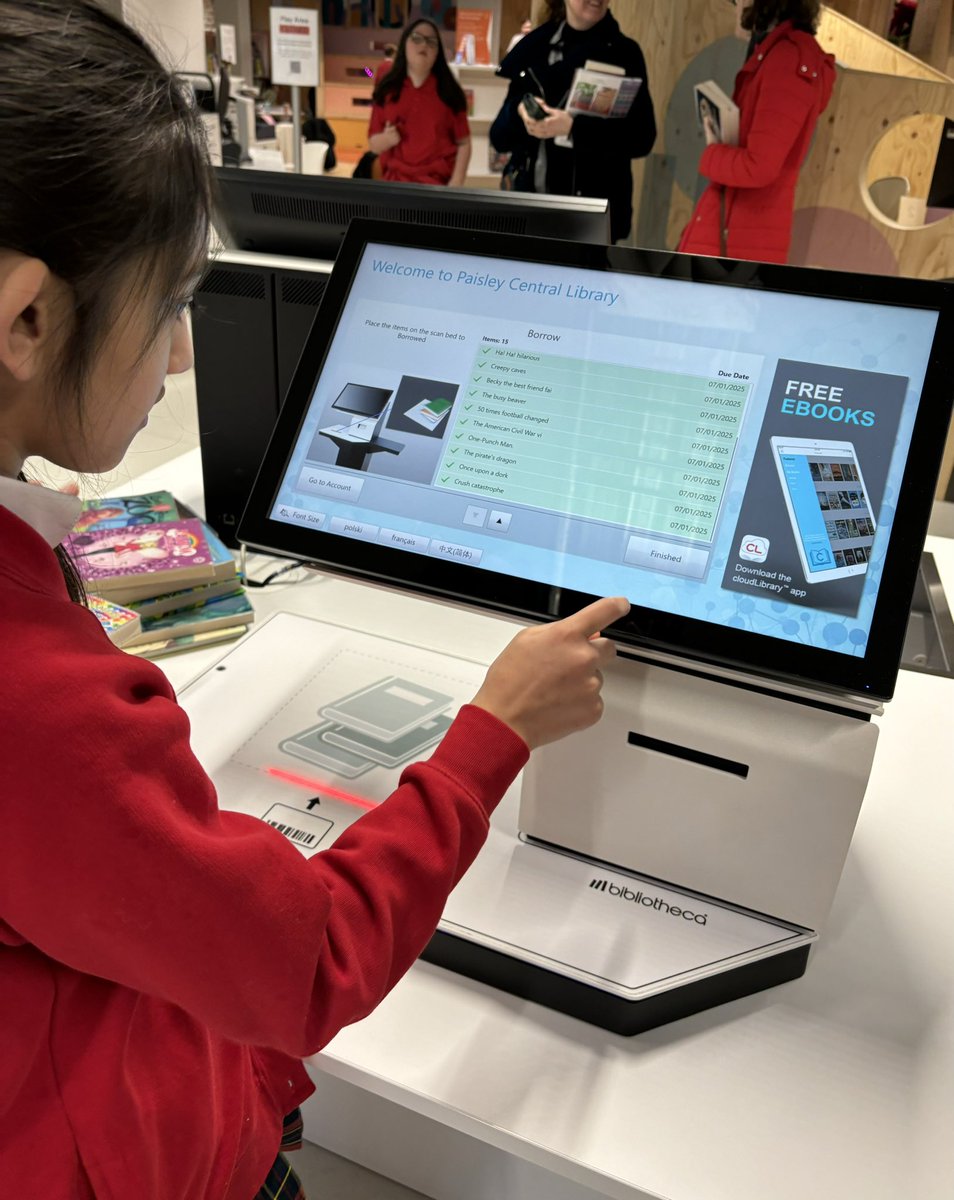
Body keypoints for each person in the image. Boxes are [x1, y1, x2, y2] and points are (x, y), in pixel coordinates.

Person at [0, 4, 629, 1197]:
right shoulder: (38, 711)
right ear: (29, 316)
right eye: (170, 303)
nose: (182, 357)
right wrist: (492, 735)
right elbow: (308, 959)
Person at [677, 0, 835, 264]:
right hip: (738, 234)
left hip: (738, 241)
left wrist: (712, 153)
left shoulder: (786, 59)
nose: (736, 4)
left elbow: (759, 166)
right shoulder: (781, 53)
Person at [489, 0, 656, 244]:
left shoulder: (624, 53)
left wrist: (573, 128)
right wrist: (519, 112)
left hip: (591, 222)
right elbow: (499, 138)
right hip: (530, 215)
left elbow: (642, 138)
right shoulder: (535, 48)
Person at [367, 19, 471, 187]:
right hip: (395, 185)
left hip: (437, 186)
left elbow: (464, 142)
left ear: (437, 53)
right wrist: (386, 139)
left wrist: (457, 181)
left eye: (431, 42)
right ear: (403, 45)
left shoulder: (450, 92)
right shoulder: (386, 83)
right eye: (417, 38)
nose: (424, 45)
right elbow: (373, 144)